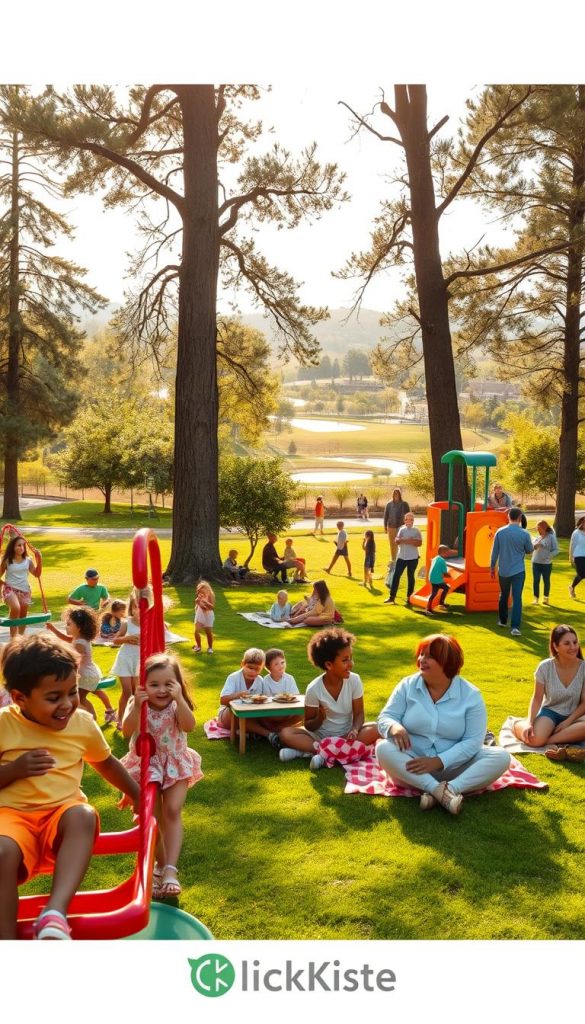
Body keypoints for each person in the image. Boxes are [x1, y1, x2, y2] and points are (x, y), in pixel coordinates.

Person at [0, 633, 139, 940]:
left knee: (84, 815)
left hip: (60, 816)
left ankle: (55, 914)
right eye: (54, 697)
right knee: (1, 851)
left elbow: (106, 763)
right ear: (20, 697)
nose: (67, 704)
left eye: (72, 692)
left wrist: (137, 795)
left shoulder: (81, 724)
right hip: (10, 818)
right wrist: (13, 769)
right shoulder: (4, 724)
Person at [376, 634, 510, 815]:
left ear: (446, 662)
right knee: (383, 748)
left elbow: (473, 741)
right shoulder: (407, 685)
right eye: (421, 654)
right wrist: (393, 726)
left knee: (501, 757)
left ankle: (449, 789)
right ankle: (440, 792)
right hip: (412, 765)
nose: (421, 660)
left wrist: (439, 762)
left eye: (429, 656)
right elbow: (385, 717)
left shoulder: (471, 695)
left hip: (455, 767)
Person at [120, 652, 202, 898]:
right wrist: (136, 705)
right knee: (153, 818)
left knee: (173, 810)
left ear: (177, 684)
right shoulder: (139, 704)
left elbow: (189, 726)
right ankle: (161, 867)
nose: (161, 690)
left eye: (169, 684)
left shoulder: (177, 704)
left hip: (176, 762)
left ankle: (170, 869)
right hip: (147, 765)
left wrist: (180, 699)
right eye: (154, 684)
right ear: (143, 685)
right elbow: (126, 730)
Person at [278, 627, 379, 770]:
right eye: (345, 660)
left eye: (351, 658)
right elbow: (309, 725)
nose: (351, 664)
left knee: (377, 728)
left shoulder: (354, 680)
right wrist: (319, 718)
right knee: (286, 733)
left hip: (347, 736)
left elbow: (359, 714)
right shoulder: (314, 689)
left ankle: (307, 753)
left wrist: (355, 729)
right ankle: (333, 752)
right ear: (329, 665)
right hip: (320, 736)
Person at [512, 624, 585, 762]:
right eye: (567, 643)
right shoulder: (545, 667)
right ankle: (517, 725)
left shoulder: (584, 668)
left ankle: (551, 741)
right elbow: (537, 699)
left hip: (575, 716)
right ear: (556, 646)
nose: (573, 647)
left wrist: (568, 722)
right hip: (550, 713)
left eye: (575, 642)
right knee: (535, 740)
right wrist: (529, 722)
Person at [47, 607, 117, 724]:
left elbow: (78, 658)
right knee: (88, 695)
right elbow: (66, 638)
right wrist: (53, 630)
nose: (66, 627)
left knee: (80, 699)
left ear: (78, 628)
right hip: (89, 672)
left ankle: (91, 720)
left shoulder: (79, 643)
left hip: (84, 675)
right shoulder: (80, 638)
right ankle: (103, 713)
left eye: (69, 624)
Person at [490, 507, 533, 636]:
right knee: (517, 598)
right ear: (520, 518)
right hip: (518, 570)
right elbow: (529, 550)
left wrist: (492, 567)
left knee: (503, 595)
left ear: (508, 517)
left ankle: (503, 621)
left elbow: (494, 552)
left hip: (503, 570)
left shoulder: (500, 532)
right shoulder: (525, 534)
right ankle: (515, 627)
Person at [218, 648, 276, 744]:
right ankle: (268, 734)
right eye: (250, 667)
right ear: (242, 664)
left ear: (261, 669)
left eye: (257, 669)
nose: (252, 672)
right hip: (228, 715)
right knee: (236, 712)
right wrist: (237, 695)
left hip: (250, 714)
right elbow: (223, 700)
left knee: (265, 714)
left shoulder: (260, 681)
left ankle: (254, 732)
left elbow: (263, 702)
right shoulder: (233, 678)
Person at [110, 587, 142, 728]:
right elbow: (115, 640)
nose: (139, 610)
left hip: (139, 661)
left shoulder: (149, 624)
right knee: (127, 691)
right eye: (136, 607)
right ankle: (120, 719)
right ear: (132, 608)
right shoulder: (126, 623)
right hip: (125, 659)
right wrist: (126, 638)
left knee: (136, 692)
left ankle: (134, 719)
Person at [0, 536, 43, 637]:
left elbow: (37, 574)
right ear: (13, 547)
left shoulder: (28, 560)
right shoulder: (7, 561)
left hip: (24, 591)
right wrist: (3, 584)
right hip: (10, 590)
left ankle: (21, 637)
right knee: (16, 608)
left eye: (23, 545)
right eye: (18, 545)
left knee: (23, 615)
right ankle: (13, 638)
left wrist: (39, 559)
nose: (21, 547)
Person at [385, 512, 422, 605]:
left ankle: (410, 598)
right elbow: (397, 540)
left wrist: (407, 540)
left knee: (410, 577)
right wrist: (406, 540)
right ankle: (391, 598)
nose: (408, 521)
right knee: (396, 576)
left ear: (413, 521)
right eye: (407, 519)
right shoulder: (401, 529)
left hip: (413, 558)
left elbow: (419, 543)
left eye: (411, 519)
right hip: (401, 557)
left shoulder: (416, 530)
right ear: (404, 520)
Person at [531, 520, 559, 605]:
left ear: (544, 528)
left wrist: (548, 556)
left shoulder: (551, 537)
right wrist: (535, 546)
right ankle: (536, 599)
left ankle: (546, 598)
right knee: (536, 580)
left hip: (546, 564)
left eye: (539, 529)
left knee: (546, 581)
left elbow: (556, 550)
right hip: (535, 562)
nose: (538, 531)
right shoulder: (537, 538)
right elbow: (532, 548)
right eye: (537, 529)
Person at [425, 544, 457, 614]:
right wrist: (451, 578)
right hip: (438, 580)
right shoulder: (442, 561)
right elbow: (445, 573)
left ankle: (428, 608)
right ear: (443, 552)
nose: (448, 554)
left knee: (433, 593)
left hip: (432, 579)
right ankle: (441, 603)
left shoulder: (435, 558)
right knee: (446, 588)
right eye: (448, 553)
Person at [383, 488, 410, 561]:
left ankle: (401, 559)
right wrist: (385, 527)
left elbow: (409, 515)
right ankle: (393, 560)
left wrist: (409, 525)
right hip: (391, 527)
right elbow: (386, 516)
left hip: (402, 527)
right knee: (392, 544)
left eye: (397, 493)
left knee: (402, 544)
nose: (396, 494)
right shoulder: (389, 504)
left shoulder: (405, 504)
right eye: (394, 493)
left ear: (400, 494)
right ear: (393, 494)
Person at [193, 580, 215, 655]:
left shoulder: (211, 596)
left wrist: (206, 602)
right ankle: (198, 646)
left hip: (209, 615)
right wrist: (198, 601)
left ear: (208, 591)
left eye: (203, 592)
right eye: (200, 592)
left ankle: (210, 647)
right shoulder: (199, 598)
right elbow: (200, 606)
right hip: (200, 614)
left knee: (208, 632)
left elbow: (211, 607)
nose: (201, 594)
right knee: (196, 631)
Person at [569, 516, 585, 599]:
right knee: (582, 574)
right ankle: (572, 587)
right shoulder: (576, 533)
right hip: (578, 556)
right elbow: (572, 545)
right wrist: (571, 557)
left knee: (581, 574)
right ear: (581, 523)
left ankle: (572, 587)